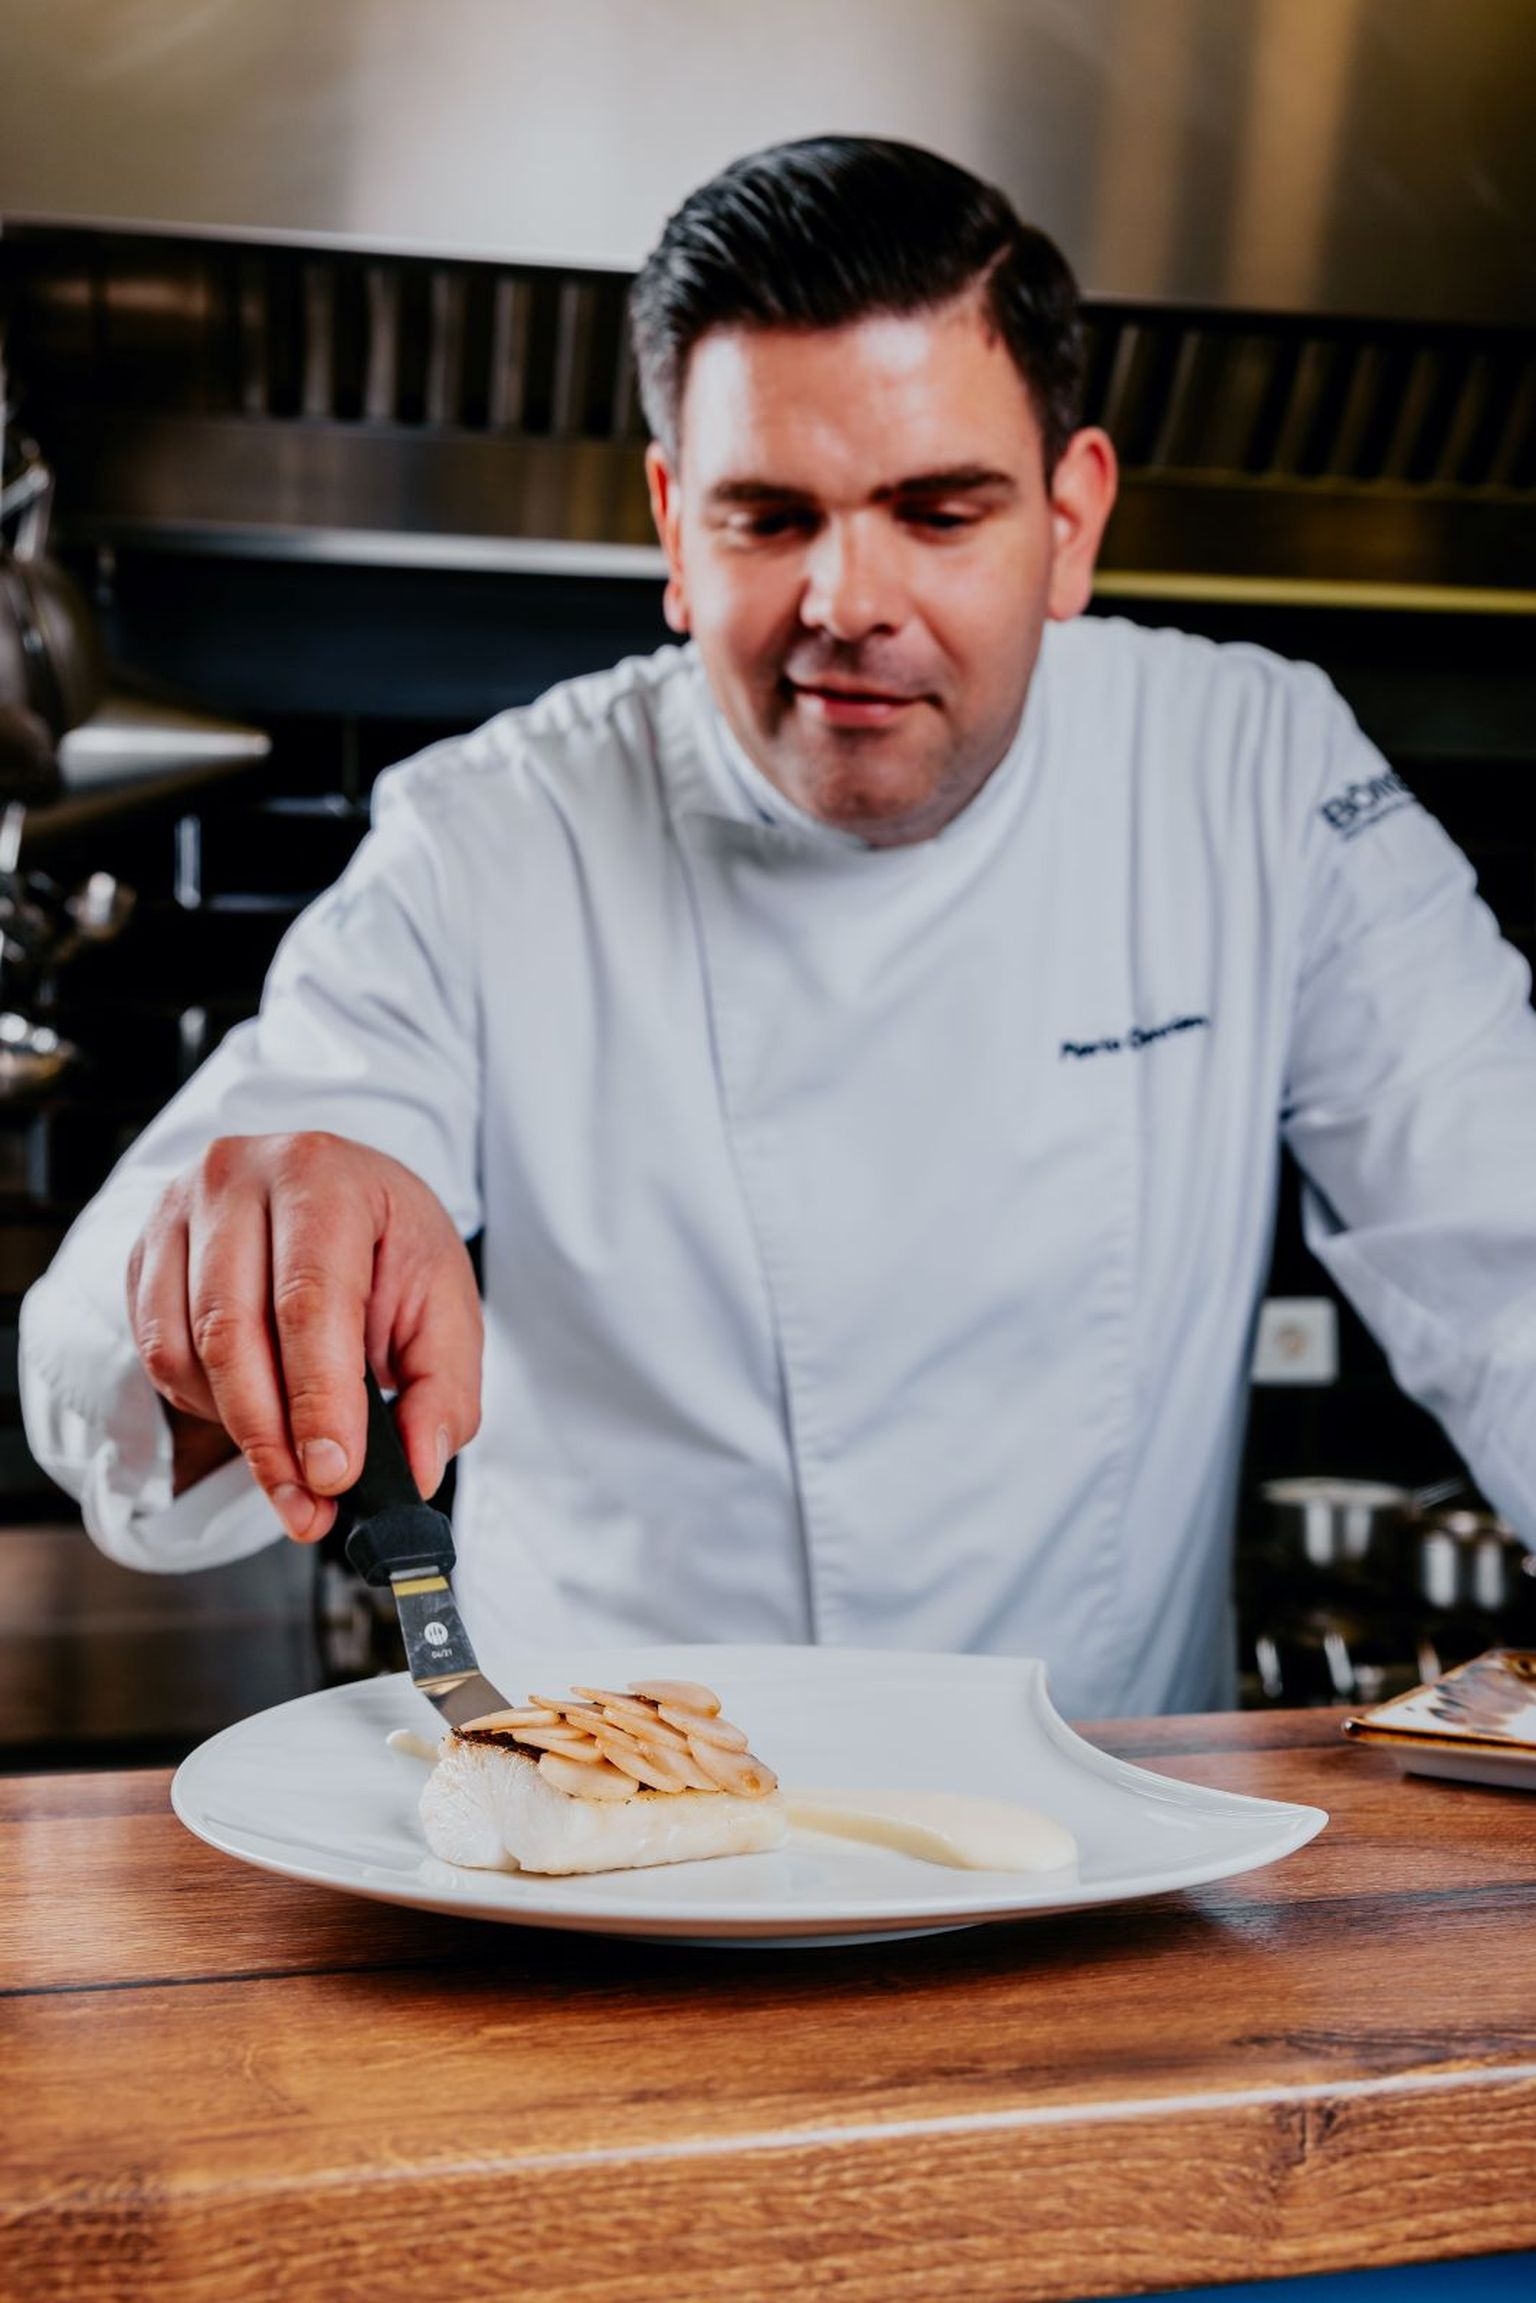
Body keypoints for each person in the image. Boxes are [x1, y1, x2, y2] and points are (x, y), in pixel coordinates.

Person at [19, 138, 1536, 1719]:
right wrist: (251, 1270)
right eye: (769, 516)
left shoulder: (1254, 771)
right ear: (675, 528)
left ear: (1073, 518)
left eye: (939, 512)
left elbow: (1509, 1251)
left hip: (1108, 1817)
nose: (848, 601)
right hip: (605, 1817)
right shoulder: (492, 836)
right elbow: (98, 1332)